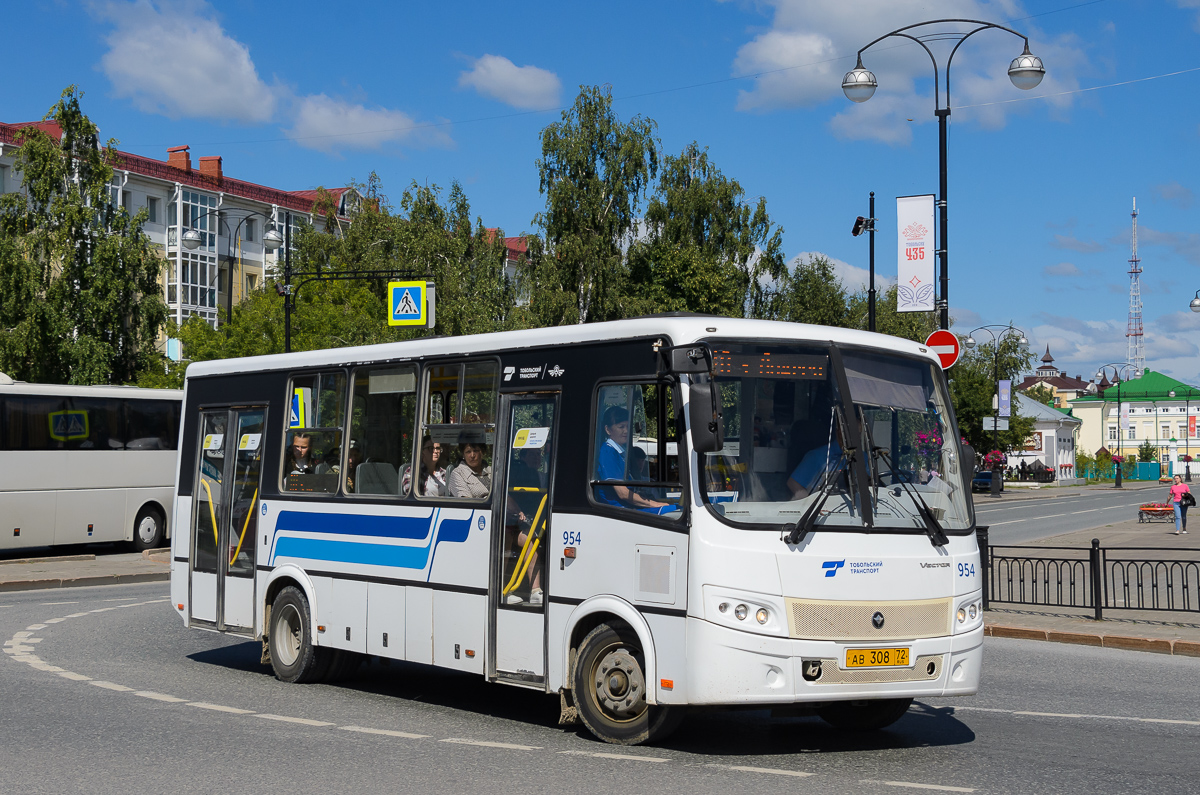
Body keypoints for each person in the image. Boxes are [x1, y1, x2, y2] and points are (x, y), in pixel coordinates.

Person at [596, 406, 674, 513]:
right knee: (674, 512)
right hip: (619, 510)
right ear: (607, 429)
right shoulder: (608, 453)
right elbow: (623, 493)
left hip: (628, 507)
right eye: (621, 427)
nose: (626, 431)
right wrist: (655, 504)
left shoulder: (620, 452)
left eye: (628, 426)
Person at [787, 427, 843, 499]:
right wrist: (808, 503)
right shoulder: (817, 456)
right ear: (839, 431)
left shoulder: (861, 457)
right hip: (823, 508)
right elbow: (793, 483)